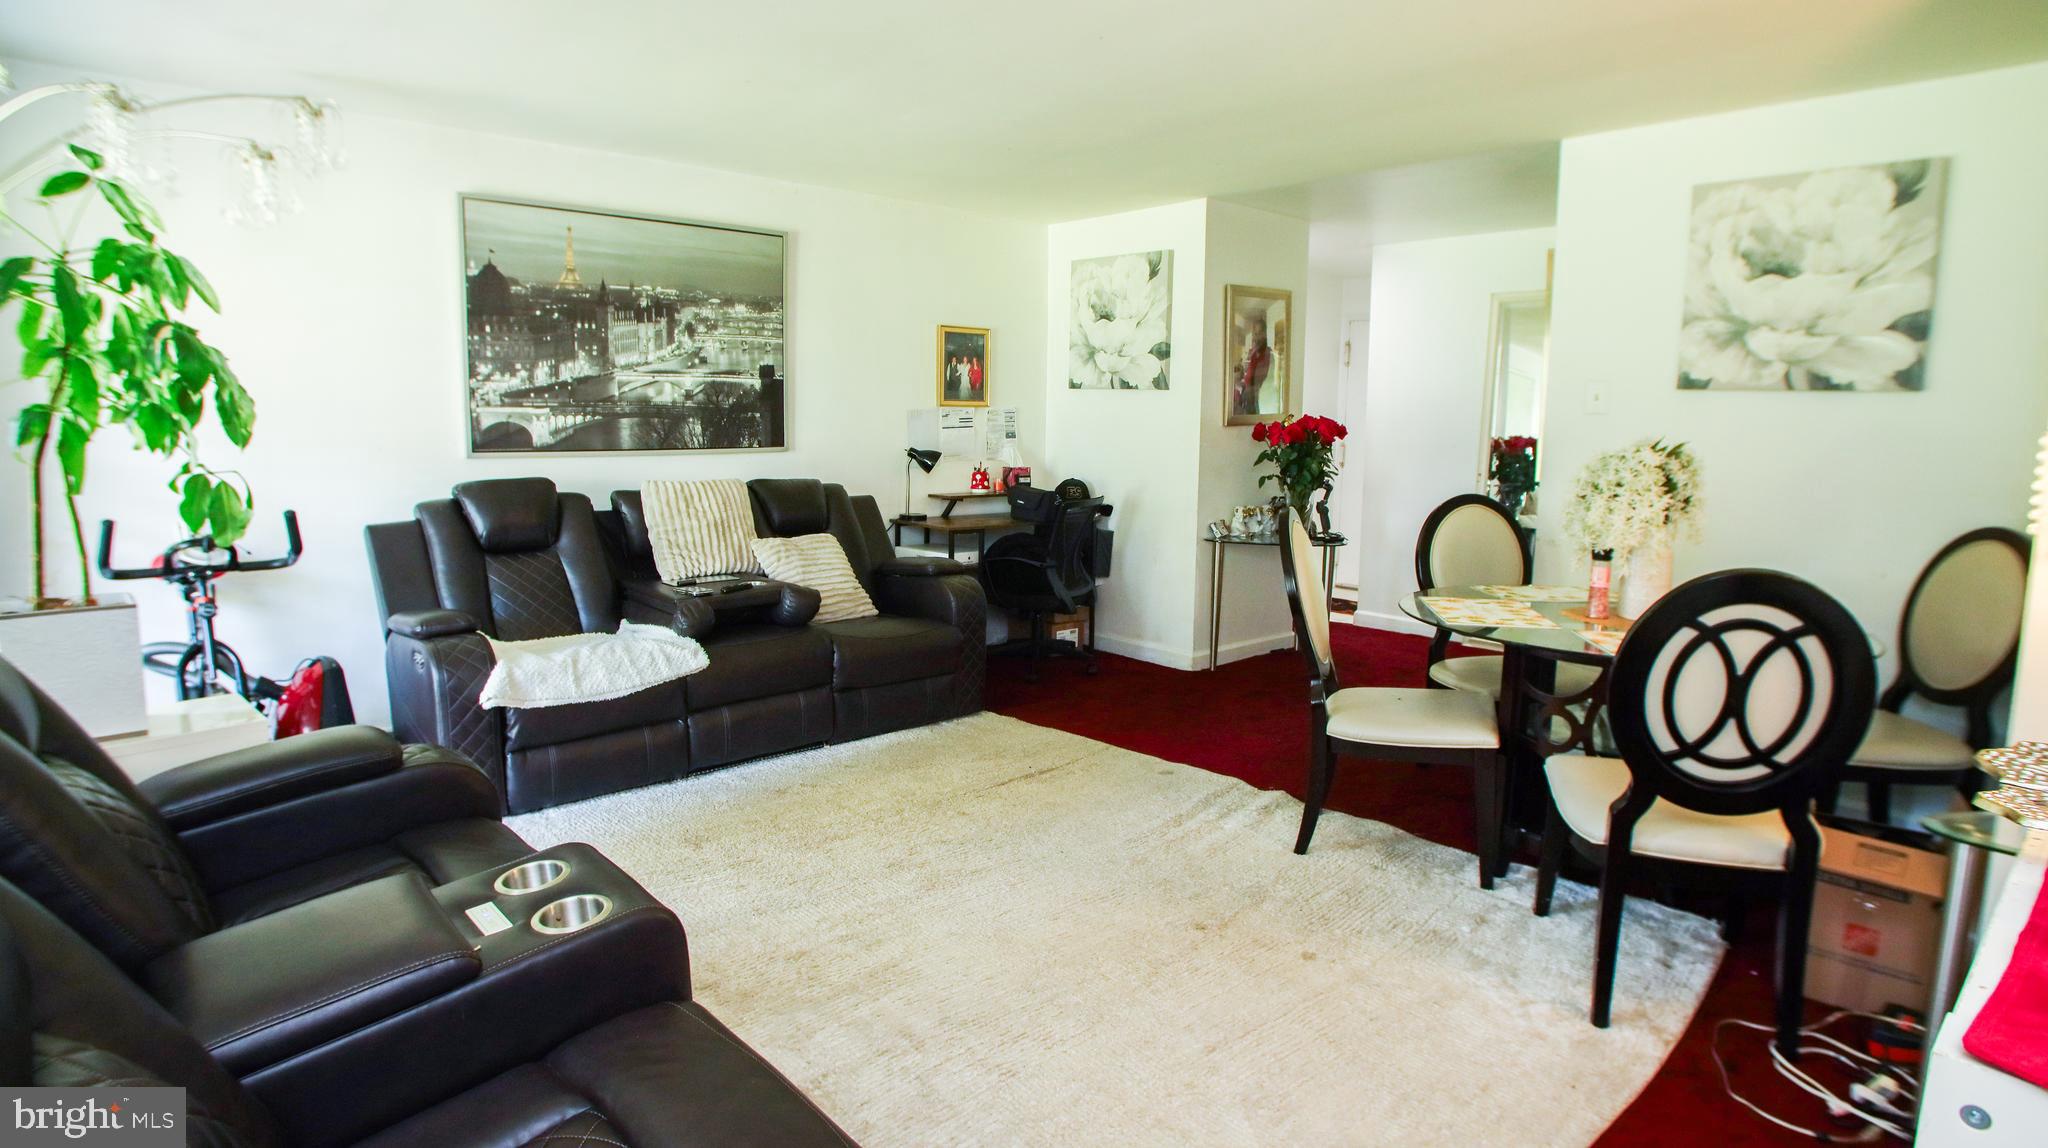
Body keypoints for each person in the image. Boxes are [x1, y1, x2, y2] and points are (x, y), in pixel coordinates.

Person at [1233, 318, 1271, 416]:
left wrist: (1249, 389)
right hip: (1248, 392)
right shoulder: (1254, 352)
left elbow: (1261, 379)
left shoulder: (1267, 354)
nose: (1256, 337)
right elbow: (1248, 371)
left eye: (1259, 333)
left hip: (1256, 397)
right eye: (1255, 333)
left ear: (1265, 334)